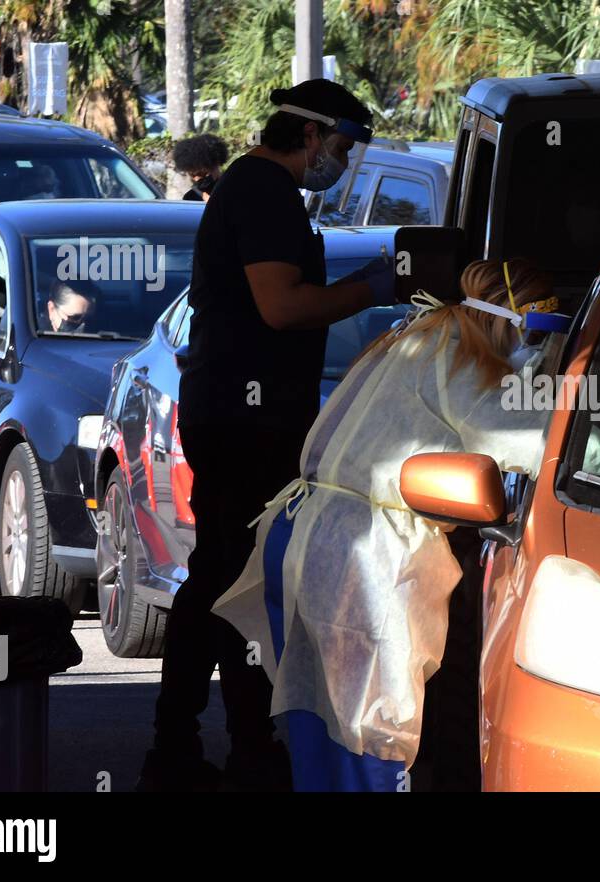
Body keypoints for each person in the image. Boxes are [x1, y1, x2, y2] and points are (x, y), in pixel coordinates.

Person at [211, 258, 561, 791]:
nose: (537, 350)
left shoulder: (419, 334)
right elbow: (531, 443)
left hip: (304, 534)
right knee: (373, 732)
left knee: (320, 730)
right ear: (511, 318)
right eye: (538, 333)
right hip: (359, 559)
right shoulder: (462, 358)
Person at [139, 78, 391, 792]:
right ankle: (190, 744)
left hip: (243, 412)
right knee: (229, 578)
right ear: (308, 134)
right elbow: (282, 308)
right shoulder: (262, 194)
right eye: (340, 146)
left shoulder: (254, 191)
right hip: (243, 419)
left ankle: (235, 740)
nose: (341, 161)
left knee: (239, 579)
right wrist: (379, 286)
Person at [173, 134, 230, 202]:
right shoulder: (190, 198)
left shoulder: (234, 187)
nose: (197, 179)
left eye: (202, 174)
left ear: (216, 165)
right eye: (192, 175)